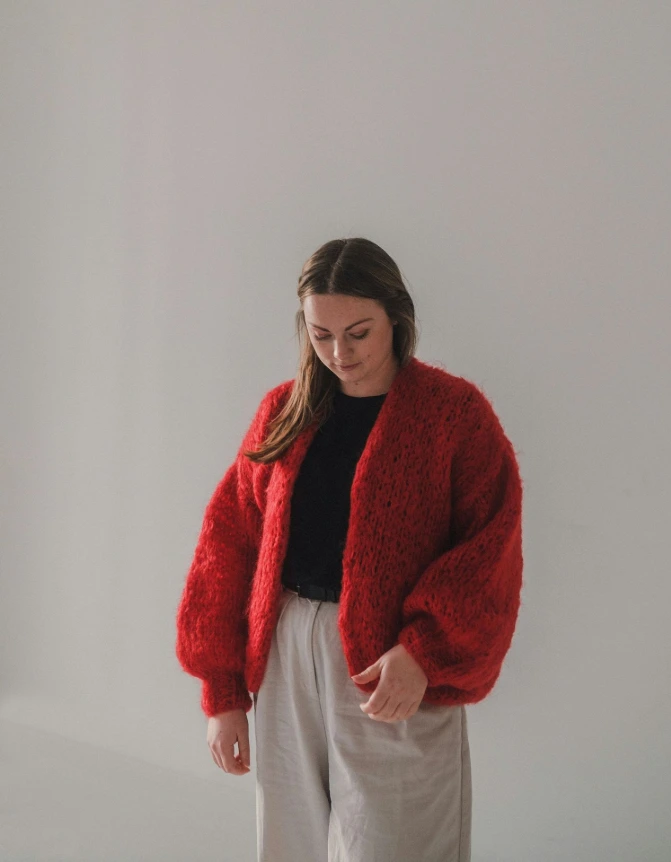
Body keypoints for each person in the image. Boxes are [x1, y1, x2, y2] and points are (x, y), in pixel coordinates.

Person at [175, 237, 524, 862]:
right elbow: (227, 545)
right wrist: (222, 692)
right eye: (321, 334)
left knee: (398, 847)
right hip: (284, 653)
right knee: (291, 845)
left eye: (358, 332)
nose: (340, 353)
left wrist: (423, 650)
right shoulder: (284, 412)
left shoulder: (453, 416)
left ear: (396, 315)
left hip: (390, 665)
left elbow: (489, 548)